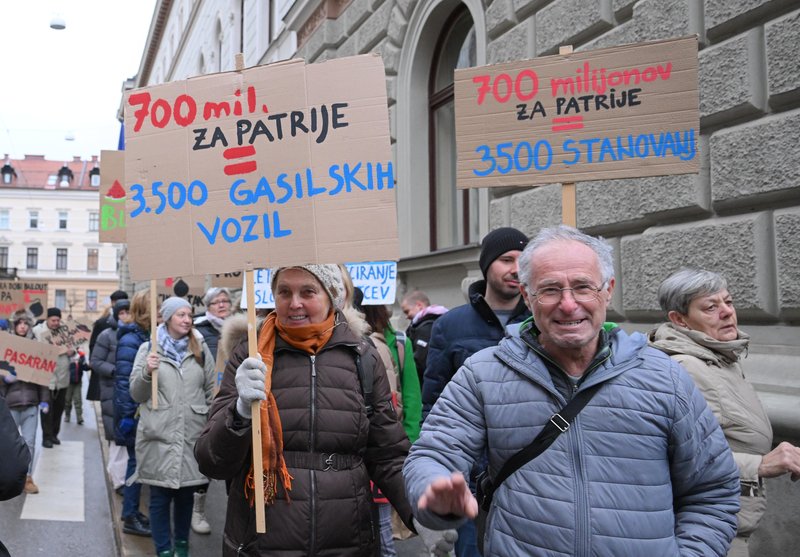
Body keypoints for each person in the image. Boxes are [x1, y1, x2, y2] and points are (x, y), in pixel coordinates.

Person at [404, 225, 742, 556]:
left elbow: (711, 490)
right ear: (527, 296)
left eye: (583, 287)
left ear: (608, 290)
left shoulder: (665, 377)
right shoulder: (483, 373)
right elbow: (433, 454)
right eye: (550, 289)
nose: (568, 305)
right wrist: (435, 494)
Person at [195, 264, 456, 556]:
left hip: (348, 540)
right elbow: (211, 460)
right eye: (284, 292)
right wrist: (239, 410)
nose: (294, 303)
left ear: (331, 296)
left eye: (307, 291)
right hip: (262, 542)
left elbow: (388, 454)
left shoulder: (362, 356)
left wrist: (419, 510)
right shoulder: (250, 355)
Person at [649, 268, 800, 556]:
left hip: (729, 521)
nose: (727, 312)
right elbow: (665, 456)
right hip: (705, 529)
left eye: (728, 302)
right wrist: (759, 465)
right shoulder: (685, 367)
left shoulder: (718, 356)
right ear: (679, 320)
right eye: (710, 307)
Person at [421, 226, 530, 557]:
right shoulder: (451, 325)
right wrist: (439, 474)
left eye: (524, 260)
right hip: (470, 482)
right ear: (486, 266)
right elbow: (434, 406)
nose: (516, 268)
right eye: (506, 259)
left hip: (529, 479)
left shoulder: (542, 323)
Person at [129, 296, 216, 557]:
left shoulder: (200, 348)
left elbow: (212, 389)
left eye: (189, 315)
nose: (187, 319)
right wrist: (147, 370)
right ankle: (164, 549)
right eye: (181, 315)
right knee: (159, 497)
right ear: (166, 318)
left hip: (191, 434)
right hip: (159, 434)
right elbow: (135, 392)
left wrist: (210, 419)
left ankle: (182, 546)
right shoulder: (149, 349)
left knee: (186, 496)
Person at [190, 286, 233, 534]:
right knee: (206, 456)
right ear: (207, 305)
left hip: (233, 401)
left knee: (232, 457)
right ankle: (199, 509)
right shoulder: (198, 331)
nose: (222, 304)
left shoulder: (241, 328)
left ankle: (236, 515)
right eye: (216, 301)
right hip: (206, 401)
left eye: (225, 300)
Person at [115, 290, 153, 538]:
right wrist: (128, 415)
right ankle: (129, 515)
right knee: (135, 464)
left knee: (139, 464)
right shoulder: (132, 339)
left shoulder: (146, 336)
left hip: (141, 412)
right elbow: (123, 382)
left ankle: (132, 511)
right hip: (134, 414)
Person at [0, 309, 49, 494]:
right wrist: (4, 379)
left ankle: (27, 478)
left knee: (29, 443)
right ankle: (5, 477)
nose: (22, 326)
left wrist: (45, 401)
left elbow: (43, 377)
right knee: (8, 445)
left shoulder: (35, 347)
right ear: (15, 325)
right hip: (9, 404)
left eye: (25, 323)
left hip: (30, 402)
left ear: (29, 326)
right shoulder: (5, 347)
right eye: (19, 323)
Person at [90, 299, 131, 493]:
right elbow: (95, 361)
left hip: (130, 391)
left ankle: (121, 475)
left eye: (128, 312)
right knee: (116, 436)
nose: (126, 316)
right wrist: (115, 371)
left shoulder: (138, 333)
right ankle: (118, 480)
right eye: (122, 312)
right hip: (111, 390)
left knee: (126, 435)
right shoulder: (107, 335)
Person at [35, 307, 74, 448]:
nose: (56, 323)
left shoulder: (65, 331)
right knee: (46, 410)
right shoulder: (38, 331)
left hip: (62, 378)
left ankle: (54, 435)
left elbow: (74, 349)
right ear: (47, 319)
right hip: (46, 379)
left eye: (58, 320)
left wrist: (71, 351)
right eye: (53, 320)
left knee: (59, 409)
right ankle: (46, 437)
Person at [400, 290, 447, 386]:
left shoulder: (425, 328)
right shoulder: (442, 322)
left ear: (419, 305)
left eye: (407, 311)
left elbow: (420, 363)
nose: (406, 316)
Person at [63, 349, 88, 425]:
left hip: (77, 382)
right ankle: (67, 415)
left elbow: (85, 367)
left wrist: (90, 366)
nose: (69, 351)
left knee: (78, 400)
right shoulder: (64, 357)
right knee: (67, 400)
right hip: (67, 382)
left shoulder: (80, 356)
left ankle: (79, 417)